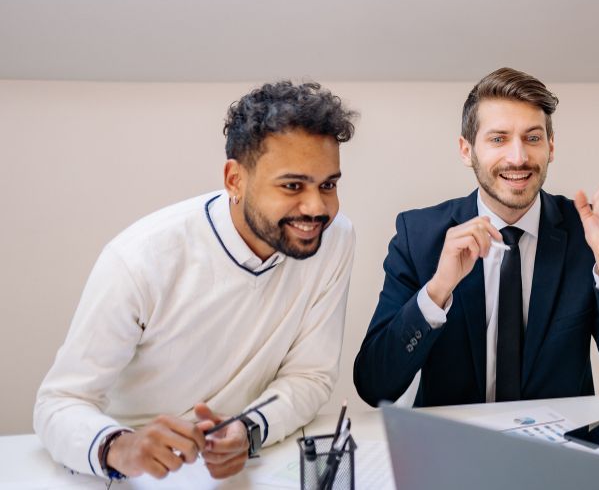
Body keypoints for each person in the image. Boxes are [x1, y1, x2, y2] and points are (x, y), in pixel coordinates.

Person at [34, 81, 358, 481]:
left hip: (248, 468)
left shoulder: (333, 238)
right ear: (234, 180)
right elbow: (59, 402)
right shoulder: (141, 258)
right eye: (292, 185)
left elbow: (310, 375)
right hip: (134, 474)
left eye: (328, 184)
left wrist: (248, 428)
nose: (316, 207)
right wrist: (123, 447)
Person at [355, 67, 599, 407]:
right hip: (453, 448)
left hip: (557, 450)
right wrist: (437, 290)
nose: (518, 158)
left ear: (550, 147)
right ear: (466, 150)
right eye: (498, 139)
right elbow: (374, 385)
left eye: (532, 138)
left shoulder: (586, 233)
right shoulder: (418, 236)